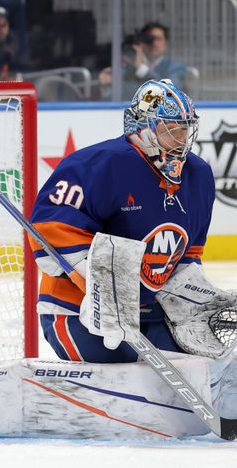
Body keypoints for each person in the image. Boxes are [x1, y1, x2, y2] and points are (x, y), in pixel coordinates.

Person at [29, 79, 213, 363]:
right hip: (78, 311)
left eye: (185, 127)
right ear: (143, 126)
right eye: (170, 127)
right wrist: (105, 292)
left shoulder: (198, 176)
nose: (181, 136)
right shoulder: (100, 164)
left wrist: (196, 299)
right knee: (121, 360)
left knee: (196, 360)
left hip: (152, 315)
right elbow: (50, 229)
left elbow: (187, 256)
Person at [122, 22, 187, 96]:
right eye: (149, 39)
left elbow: (171, 91)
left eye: (158, 39)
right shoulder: (129, 67)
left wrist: (141, 69)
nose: (154, 43)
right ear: (141, 42)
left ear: (166, 44)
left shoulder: (176, 68)